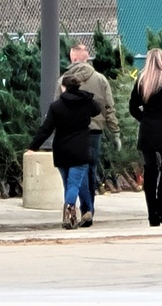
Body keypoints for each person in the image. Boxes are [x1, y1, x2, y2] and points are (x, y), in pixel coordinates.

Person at [27, 74, 101, 229]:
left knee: (70, 183)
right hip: (80, 149)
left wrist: (33, 146)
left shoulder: (56, 106)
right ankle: (77, 213)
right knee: (76, 183)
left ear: (63, 87)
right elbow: (97, 110)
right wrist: (85, 95)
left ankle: (79, 212)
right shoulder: (86, 102)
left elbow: (46, 129)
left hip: (61, 149)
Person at [59, 40, 118, 227]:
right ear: (86, 57)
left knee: (72, 173)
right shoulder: (100, 79)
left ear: (73, 57)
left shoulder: (62, 81)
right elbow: (109, 108)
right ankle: (88, 209)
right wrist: (115, 131)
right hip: (94, 132)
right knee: (89, 170)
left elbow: (55, 108)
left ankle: (73, 209)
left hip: (70, 134)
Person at [128, 48, 162, 227]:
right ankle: (160, 206)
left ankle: (152, 213)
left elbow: (133, 107)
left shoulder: (142, 81)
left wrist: (145, 119)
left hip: (149, 129)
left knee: (150, 168)